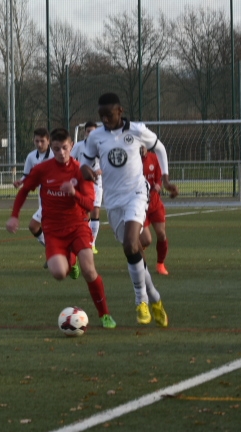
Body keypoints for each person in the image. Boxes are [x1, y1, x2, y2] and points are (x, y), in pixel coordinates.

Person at [7, 128, 115, 329]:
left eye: (65, 148)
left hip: (78, 227)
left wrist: (74, 193)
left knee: (89, 270)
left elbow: (91, 205)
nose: (61, 153)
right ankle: (70, 261)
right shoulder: (43, 169)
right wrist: (14, 216)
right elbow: (23, 192)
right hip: (53, 230)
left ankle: (105, 314)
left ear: (71, 146)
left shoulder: (80, 171)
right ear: (51, 148)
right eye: (56, 149)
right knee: (58, 273)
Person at [80, 93, 172, 327]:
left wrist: (166, 177)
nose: (104, 120)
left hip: (137, 194)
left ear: (120, 111)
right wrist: (86, 171)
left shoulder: (138, 130)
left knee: (132, 243)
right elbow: (85, 163)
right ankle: (156, 299)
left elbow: (159, 148)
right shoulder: (96, 137)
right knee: (135, 252)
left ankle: (140, 300)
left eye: (108, 115)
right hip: (114, 201)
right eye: (101, 116)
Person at [140, 144, 178, 275]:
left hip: (155, 205)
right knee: (146, 240)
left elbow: (160, 178)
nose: (141, 148)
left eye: (143, 145)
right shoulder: (132, 161)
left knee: (161, 234)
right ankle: (138, 254)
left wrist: (158, 185)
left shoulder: (154, 158)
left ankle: (160, 264)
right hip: (140, 207)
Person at [13, 128, 53, 249]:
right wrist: (21, 181)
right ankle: (55, 252)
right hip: (43, 197)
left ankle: (56, 252)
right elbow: (27, 175)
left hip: (55, 198)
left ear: (48, 141)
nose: (39, 144)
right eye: (37, 141)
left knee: (35, 226)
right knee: (40, 227)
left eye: (42, 141)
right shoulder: (31, 156)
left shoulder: (55, 155)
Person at [72, 121, 102, 253]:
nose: (91, 133)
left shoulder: (101, 146)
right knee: (85, 211)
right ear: (85, 132)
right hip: (82, 182)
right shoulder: (78, 146)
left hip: (96, 182)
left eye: (93, 131)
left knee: (95, 210)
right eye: (88, 131)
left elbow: (107, 163)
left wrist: (100, 171)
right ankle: (83, 241)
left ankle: (92, 243)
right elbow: (71, 161)